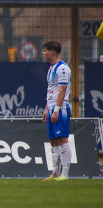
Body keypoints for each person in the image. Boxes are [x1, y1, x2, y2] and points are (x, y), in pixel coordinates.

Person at [42, 41, 72, 181]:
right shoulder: (51, 68)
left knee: (62, 139)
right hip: (51, 107)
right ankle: (55, 172)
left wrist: (56, 110)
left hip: (61, 108)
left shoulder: (63, 68)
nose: (43, 53)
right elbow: (51, 91)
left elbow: (62, 90)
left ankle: (65, 174)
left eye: (45, 50)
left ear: (53, 52)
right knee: (53, 140)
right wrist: (47, 109)